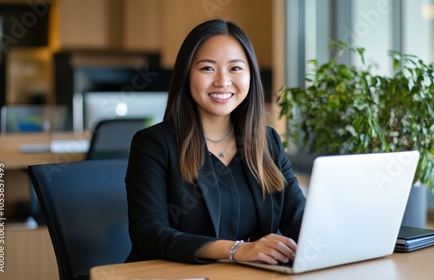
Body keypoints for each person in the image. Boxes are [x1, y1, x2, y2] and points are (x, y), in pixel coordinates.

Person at [125, 19, 306, 265]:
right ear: (186, 74)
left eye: (235, 68)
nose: (222, 81)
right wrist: (236, 250)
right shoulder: (154, 144)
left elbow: (297, 220)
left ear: (250, 74)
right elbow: (148, 234)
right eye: (207, 68)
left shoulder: (267, 142)